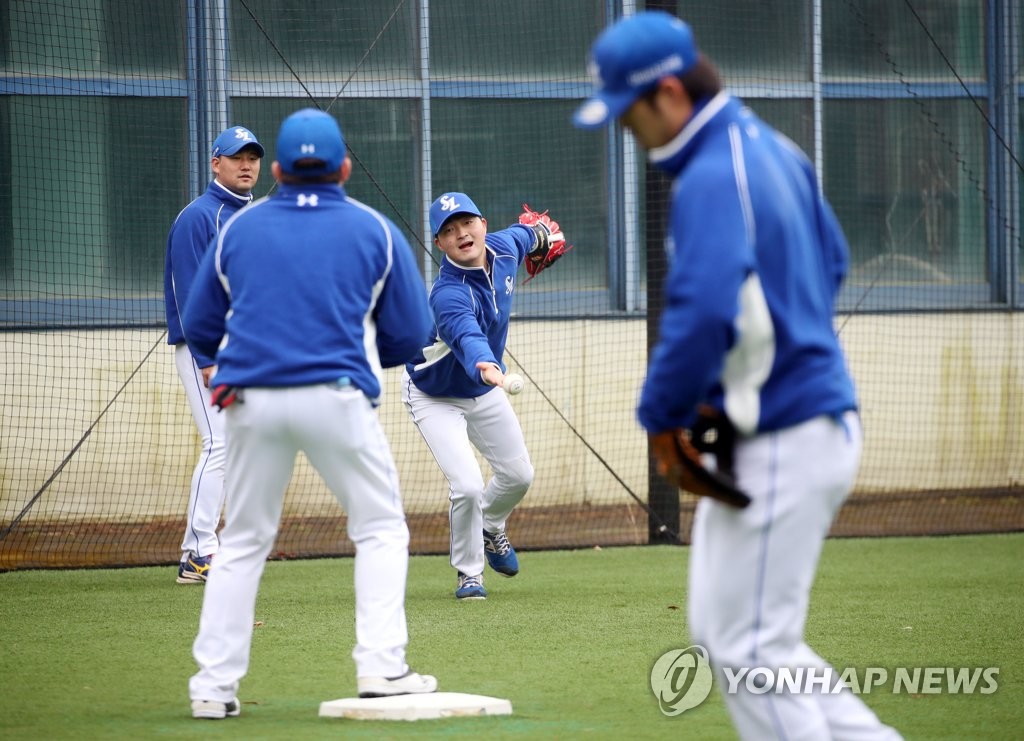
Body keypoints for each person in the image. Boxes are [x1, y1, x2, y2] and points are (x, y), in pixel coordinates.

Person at [575, 12, 901, 740]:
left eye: (630, 116)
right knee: (736, 636)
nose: (632, 135)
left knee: (751, 648)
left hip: (785, 429)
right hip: (794, 421)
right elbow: (834, 259)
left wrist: (663, 414)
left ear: (668, 93)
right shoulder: (771, 145)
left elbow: (700, 312)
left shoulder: (713, 173)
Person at [180, 107, 438, 719]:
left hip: (250, 399)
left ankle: (212, 689)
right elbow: (412, 332)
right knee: (379, 528)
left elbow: (198, 325)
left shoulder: (236, 231)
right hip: (335, 396)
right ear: (345, 167)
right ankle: (381, 667)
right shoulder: (374, 230)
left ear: (275, 170)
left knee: (241, 541)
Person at [402, 193, 565, 600]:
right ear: (438, 243)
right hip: (435, 394)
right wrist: (486, 364)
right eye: (449, 230)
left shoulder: (505, 247)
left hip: (481, 389)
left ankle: (492, 527)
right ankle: (469, 574)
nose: (461, 234)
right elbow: (468, 336)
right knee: (468, 485)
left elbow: (528, 235)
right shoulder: (448, 293)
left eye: (467, 223)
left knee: (518, 476)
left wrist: (540, 231)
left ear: (483, 223)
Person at [164, 124, 264, 584]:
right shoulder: (197, 217)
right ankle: (199, 554)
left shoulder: (254, 217)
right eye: (236, 156)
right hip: (207, 351)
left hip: (243, 348)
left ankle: (206, 547)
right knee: (220, 443)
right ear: (215, 162)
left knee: (238, 447)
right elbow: (189, 295)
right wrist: (207, 359)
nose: (246, 165)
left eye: (253, 157)